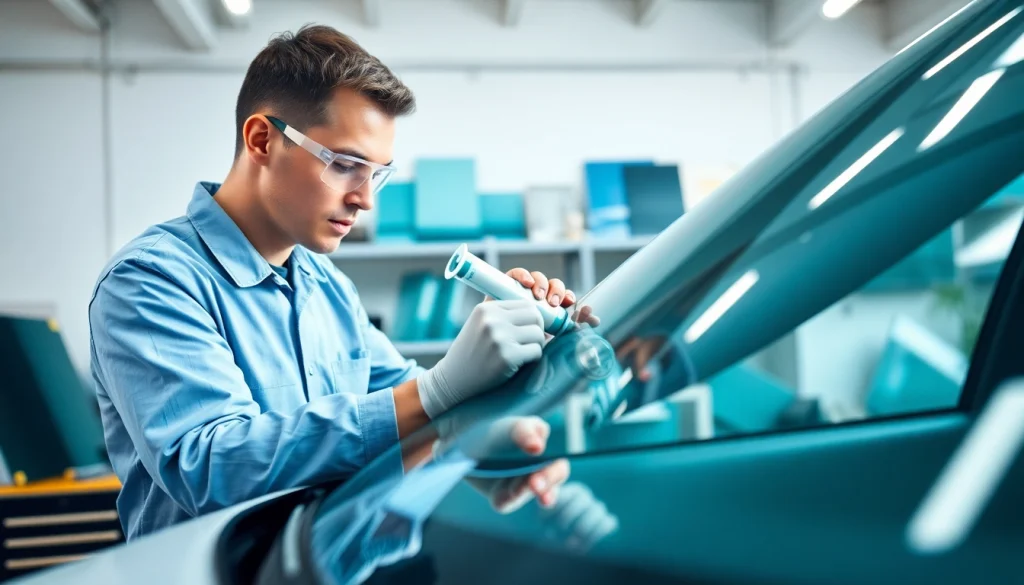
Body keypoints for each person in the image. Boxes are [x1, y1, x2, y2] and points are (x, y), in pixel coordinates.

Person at [88, 25, 577, 540]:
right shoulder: (150, 281)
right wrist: (441, 392)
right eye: (345, 165)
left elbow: (399, 402)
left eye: (377, 174)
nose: (366, 200)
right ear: (262, 140)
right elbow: (210, 467)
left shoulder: (326, 286)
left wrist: (487, 435)